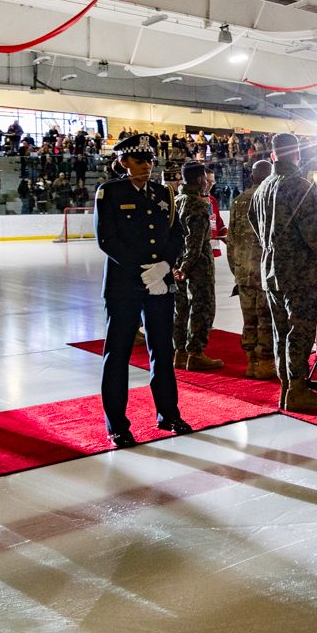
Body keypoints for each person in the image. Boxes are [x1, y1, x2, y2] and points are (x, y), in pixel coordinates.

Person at [94, 134, 191, 448]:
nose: (148, 166)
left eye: (150, 160)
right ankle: (117, 426)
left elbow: (177, 233)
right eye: (140, 160)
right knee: (118, 354)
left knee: (163, 351)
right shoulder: (109, 192)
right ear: (124, 162)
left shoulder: (163, 193)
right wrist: (141, 270)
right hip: (124, 285)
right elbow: (106, 240)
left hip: (160, 283)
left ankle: (168, 414)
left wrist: (164, 265)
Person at [250, 133, 317, 412]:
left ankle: (286, 388)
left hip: (271, 271)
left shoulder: (263, 186)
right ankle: (298, 390)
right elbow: (314, 233)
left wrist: (272, 246)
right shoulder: (300, 186)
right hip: (299, 273)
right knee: (300, 332)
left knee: (281, 333)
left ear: (274, 154)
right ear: (298, 153)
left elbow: (254, 221)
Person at [227, 160, 276, 380]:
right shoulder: (271, 199)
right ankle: (265, 362)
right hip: (265, 272)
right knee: (265, 319)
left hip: (244, 271)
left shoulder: (238, 201)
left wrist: (236, 270)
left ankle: (250, 362)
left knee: (249, 319)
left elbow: (231, 241)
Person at [172, 162, 223, 371]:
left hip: (176, 264)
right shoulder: (200, 205)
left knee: (181, 309)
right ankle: (196, 353)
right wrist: (186, 266)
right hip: (198, 266)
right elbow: (195, 241)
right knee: (203, 308)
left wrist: (177, 266)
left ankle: (180, 352)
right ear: (201, 179)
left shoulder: (175, 201)